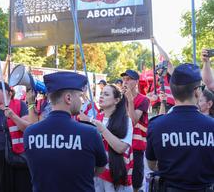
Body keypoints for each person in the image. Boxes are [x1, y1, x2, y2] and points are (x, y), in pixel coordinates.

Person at [24, 71, 107, 192]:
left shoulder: (30, 132)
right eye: (79, 96)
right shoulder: (90, 133)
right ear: (68, 98)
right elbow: (100, 168)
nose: (81, 101)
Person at [146, 63, 214, 191]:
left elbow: (152, 164)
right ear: (197, 91)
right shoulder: (211, 126)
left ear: (172, 90)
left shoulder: (156, 125)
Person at [0, 81, 32, 192]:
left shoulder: (19, 105)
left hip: (15, 157)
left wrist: (13, 116)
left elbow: (27, 129)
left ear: (7, 92)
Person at [80, 84, 134, 192]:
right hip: (97, 176)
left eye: (106, 94)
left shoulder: (125, 120)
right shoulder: (96, 119)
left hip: (117, 178)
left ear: (117, 100)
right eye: (101, 93)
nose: (101, 96)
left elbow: (121, 148)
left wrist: (103, 129)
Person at [121, 69, 150, 192]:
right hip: (121, 143)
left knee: (136, 178)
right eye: (124, 79)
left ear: (136, 82)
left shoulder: (143, 100)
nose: (125, 82)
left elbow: (133, 120)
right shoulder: (119, 98)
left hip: (136, 145)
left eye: (128, 79)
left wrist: (130, 101)